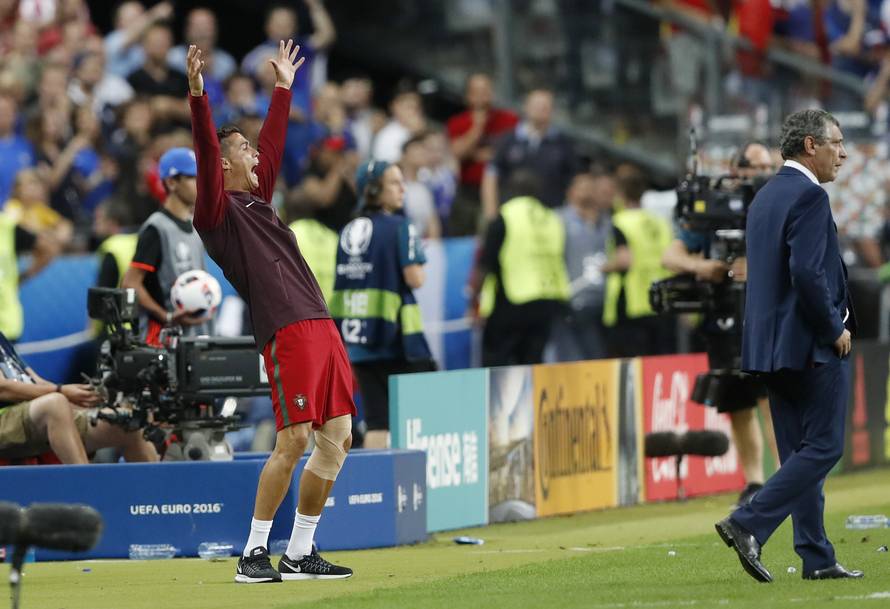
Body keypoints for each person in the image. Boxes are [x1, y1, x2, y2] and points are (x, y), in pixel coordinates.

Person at [187, 41, 354, 583]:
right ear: (227, 161)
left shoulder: (259, 199)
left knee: (340, 436)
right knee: (295, 439)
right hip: (286, 328)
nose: (257, 156)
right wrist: (199, 100)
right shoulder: (217, 213)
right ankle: (252, 553)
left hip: (319, 322)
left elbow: (276, 144)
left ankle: (300, 552)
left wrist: (284, 87)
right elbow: (209, 157)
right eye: (246, 151)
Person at [715, 109, 862, 583]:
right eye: (836, 143)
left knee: (800, 451)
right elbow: (806, 273)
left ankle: (816, 556)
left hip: (770, 347)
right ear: (810, 146)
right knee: (823, 448)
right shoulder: (809, 197)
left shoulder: (764, 197)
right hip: (810, 344)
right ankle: (749, 521)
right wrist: (832, 328)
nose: (842, 153)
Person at [662, 142, 779, 507]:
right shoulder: (716, 208)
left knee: (774, 399)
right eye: (753, 167)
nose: (759, 174)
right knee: (738, 400)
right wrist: (704, 268)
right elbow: (671, 254)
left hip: (769, 312)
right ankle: (754, 483)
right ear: (735, 169)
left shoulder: (780, 203)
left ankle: (789, 478)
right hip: (725, 313)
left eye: (766, 167)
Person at [330, 160, 436, 450]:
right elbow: (415, 278)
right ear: (374, 190)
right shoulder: (400, 226)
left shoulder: (347, 230)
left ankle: (377, 486)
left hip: (358, 341)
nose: (403, 189)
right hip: (399, 341)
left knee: (377, 421)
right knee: (418, 419)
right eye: (394, 183)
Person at [0, 330, 157, 464]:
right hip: (5, 419)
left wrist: (79, 396)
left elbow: (35, 381)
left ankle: (156, 497)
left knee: (127, 421)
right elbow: (3, 389)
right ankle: (87, 494)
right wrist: (62, 391)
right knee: (55, 404)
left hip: (26, 413)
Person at [473, 170, 570, 366]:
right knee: (532, 362)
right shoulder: (552, 218)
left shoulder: (505, 217)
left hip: (512, 299)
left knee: (496, 362)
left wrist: (473, 299)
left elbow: (485, 263)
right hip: (547, 298)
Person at [121, 147, 211, 346]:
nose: (201, 184)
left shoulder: (195, 227)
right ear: (171, 182)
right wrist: (166, 316)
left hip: (193, 336)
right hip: (162, 340)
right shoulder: (156, 228)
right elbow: (130, 283)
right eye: (192, 177)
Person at [602, 166, 673, 357]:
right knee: (658, 357)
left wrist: (603, 267)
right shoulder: (660, 222)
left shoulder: (620, 221)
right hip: (661, 299)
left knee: (632, 361)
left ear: (619, 193)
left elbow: (624, 260)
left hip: (632, 301)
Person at [481, 89, 578, 221]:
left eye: (545, 106)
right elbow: (491, 176)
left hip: (549, 218)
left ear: (552, 111)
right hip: (509, 216)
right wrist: (491, 214)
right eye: (537, 105)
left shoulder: (563, 144)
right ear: (526, 107)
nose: (541, 110)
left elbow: (574, 182)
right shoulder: (508, 140)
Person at [551, 172, 618, 361]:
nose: (587, 192)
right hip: (572, 298)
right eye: (582, 187)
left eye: (591, 187)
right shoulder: (558, 219)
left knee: (600, 356)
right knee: (575, 357)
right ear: (570, 191)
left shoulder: (607, 221)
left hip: (604, 302)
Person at [446, 73, 518, 235]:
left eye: (486, 90)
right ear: (468, 95)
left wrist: (475, 153)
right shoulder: (457, 122)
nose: (482, 96)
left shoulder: (509, 119)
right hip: (469, 192)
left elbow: (512, 153)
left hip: (502, 189)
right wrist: (477, 128)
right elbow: (457, 153)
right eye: (476, 91)